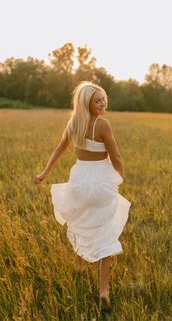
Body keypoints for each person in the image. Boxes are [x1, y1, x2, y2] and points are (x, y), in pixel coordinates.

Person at [33, 81, 131, 311]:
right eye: (98, 100)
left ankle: (79, 267)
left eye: (103, 98)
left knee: (80, 222)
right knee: (104, 230)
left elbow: (59, 149)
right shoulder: (102, 124)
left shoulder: (74, 123)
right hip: (100, 182)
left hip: (79, 179)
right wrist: (120, 177)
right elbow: (116, 157)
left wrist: (44, 173)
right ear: (87, 103)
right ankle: (104, 290)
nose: (103, 103)